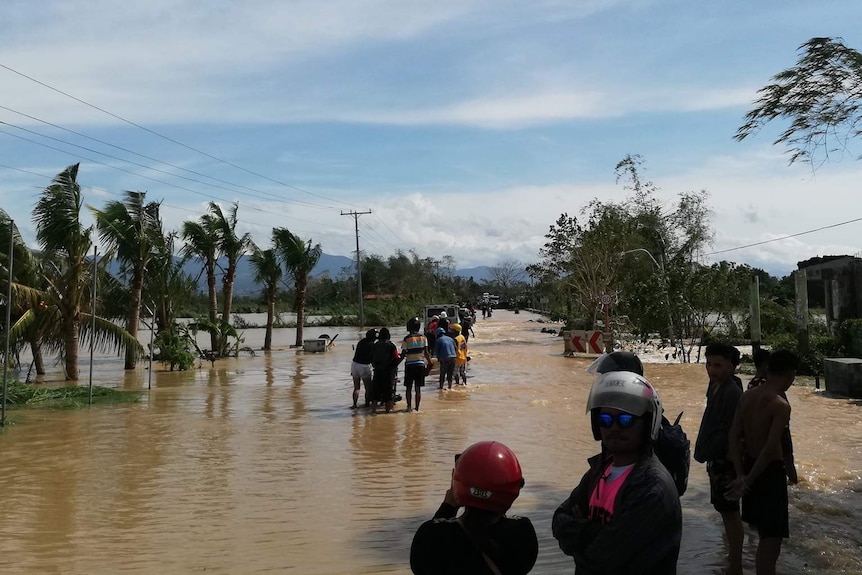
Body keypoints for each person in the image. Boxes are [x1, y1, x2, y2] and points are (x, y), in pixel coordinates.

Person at [552, 368, 681, 574]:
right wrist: (595, 533)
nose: (614, 428)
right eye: (605, 419)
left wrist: (579, 533)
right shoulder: (600, 470)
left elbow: (601, 559)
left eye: (625, 420)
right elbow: (559, 520)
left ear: (647, 425)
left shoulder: (652, 489)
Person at [410, 441, 538, 575]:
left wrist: (448, 505)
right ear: (515, 490)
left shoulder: (431, 537)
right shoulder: (522, 533)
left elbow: (424, 564)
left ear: (457, 485)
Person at [727, 350, 799, 575]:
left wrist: (741, 475)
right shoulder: (780, 405)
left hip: (748, 465)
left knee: (762, 534)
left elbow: (733, 436)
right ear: (791, 376)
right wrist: (749, 479)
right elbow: (770, 450)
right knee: (772, 541)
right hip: (769, 474)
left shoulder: (747, 396)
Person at [693, 343, 745, 575]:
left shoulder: (731, 392)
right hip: (717, 459)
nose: (711, 370)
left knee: (731, 513)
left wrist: (737, 469)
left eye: (718, 365)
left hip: (726, 461)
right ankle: (732, 556)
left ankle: (735, 564)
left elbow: (731, 433)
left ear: (732, 367)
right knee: (725, 511)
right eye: (708, 364)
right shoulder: (715, 386)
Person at [746, 349, 798, 484]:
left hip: (754, 445)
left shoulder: (751, 385)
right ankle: (794, 483)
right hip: (777, 430)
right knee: (786, 458)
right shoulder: (770, 386)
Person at [370, 327, 402, 414]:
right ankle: (387, 412)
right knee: (388, 393)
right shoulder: (391, 345)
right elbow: (396, 357)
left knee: (375, 393)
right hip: (388, 372)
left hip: (377, 371)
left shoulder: (376, 345)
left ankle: (373, 411)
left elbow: (371, 357)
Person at [402, 317, 432, 412]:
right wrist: (430, 364)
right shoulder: (423, 338)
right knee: (417, 388)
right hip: (420, 365)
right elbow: (426, 353)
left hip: (409, 365)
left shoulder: (407, 339)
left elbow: (403, 354)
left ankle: (409, 407)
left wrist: (395, 363)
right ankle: (417, 408)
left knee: (408, 388)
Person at [350, 328, 376, 409]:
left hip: (354, 364)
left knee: (356, 387)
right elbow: (373, 358)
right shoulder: (372, 345)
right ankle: (367, 404)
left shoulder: (361, 342)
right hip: (364, 366)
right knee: (368, 388)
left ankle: (354, 404)